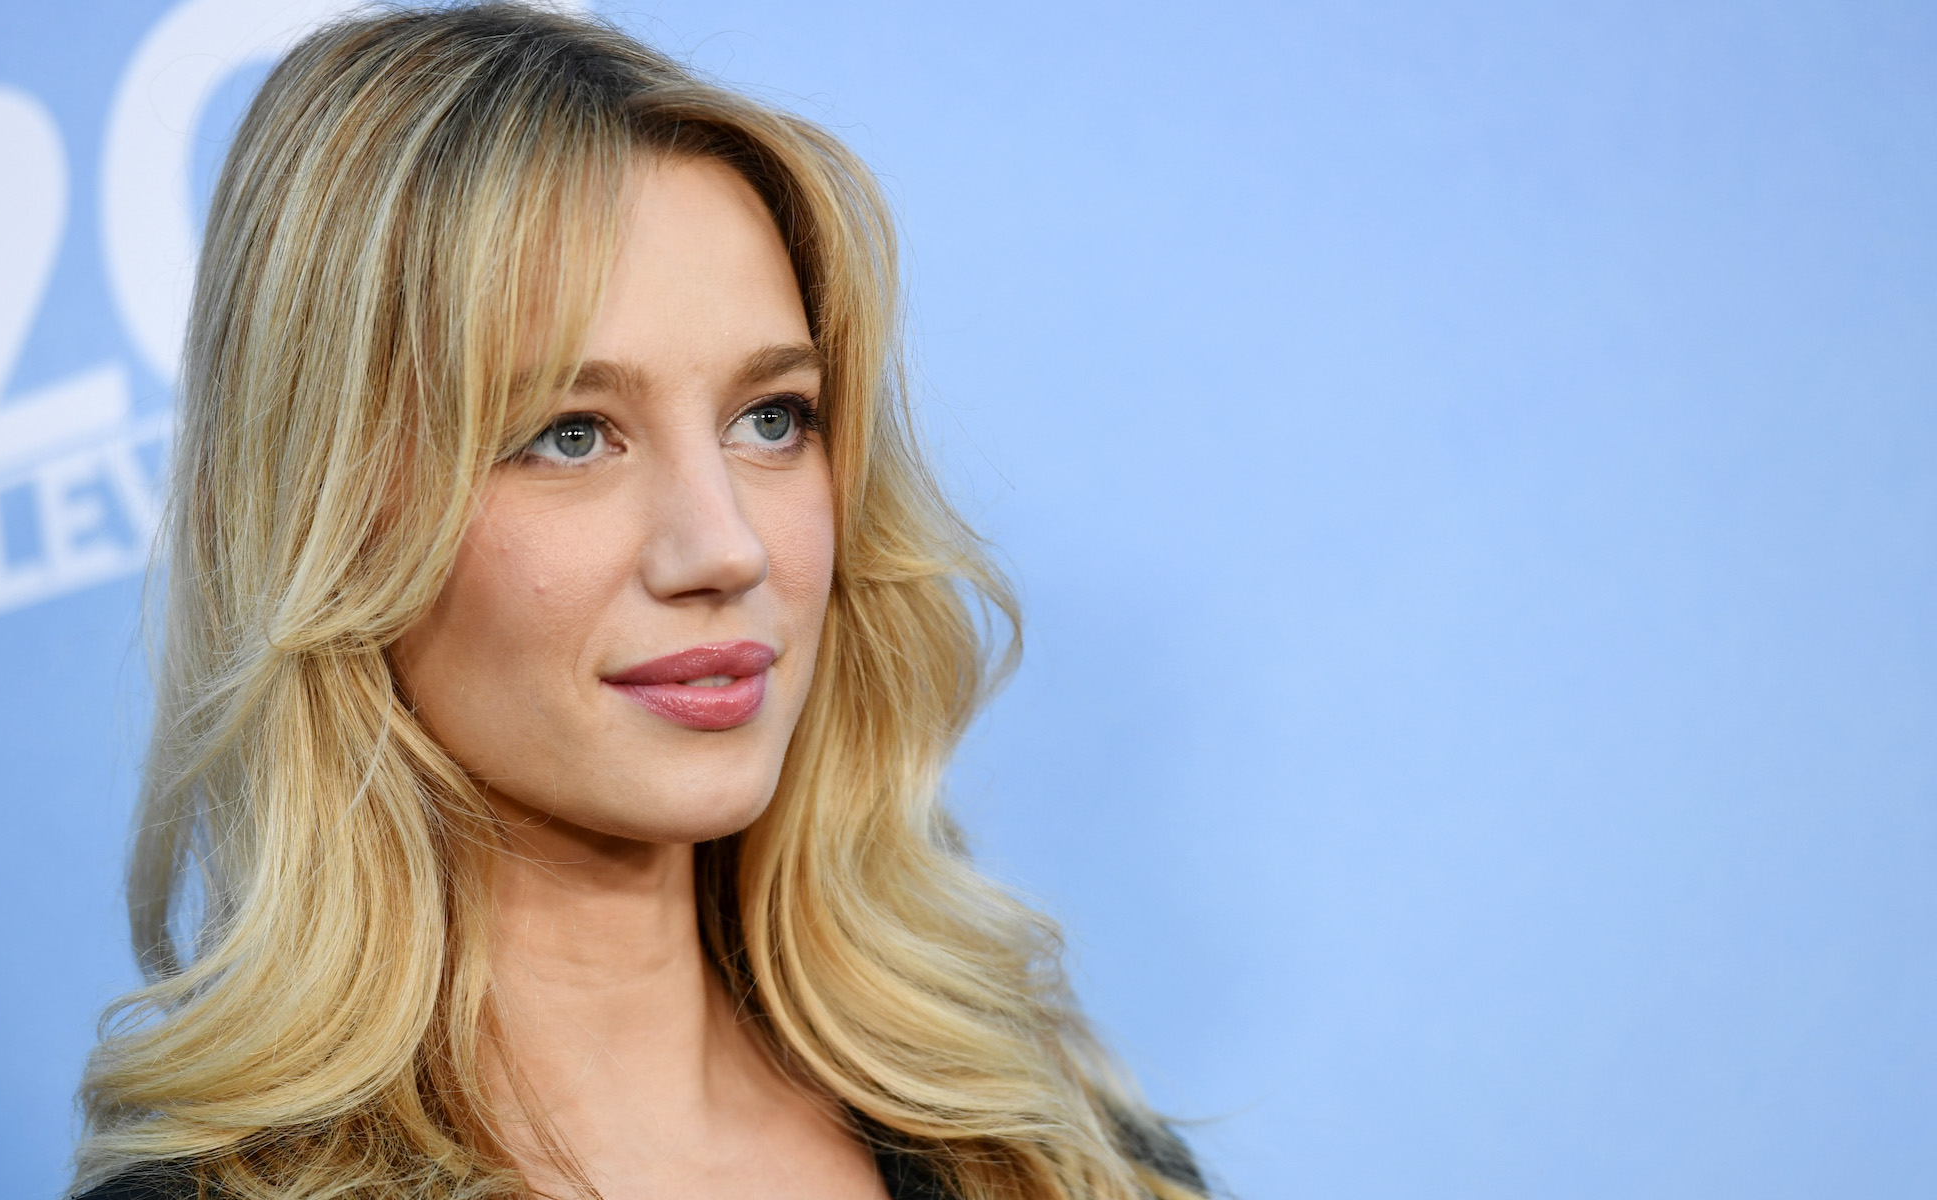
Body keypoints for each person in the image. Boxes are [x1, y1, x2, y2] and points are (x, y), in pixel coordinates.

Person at [72, 5, 1209, 1199]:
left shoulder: (1049, 1142)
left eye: (772, 419)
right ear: (327, 515)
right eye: (571, 435)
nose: (725, 549)